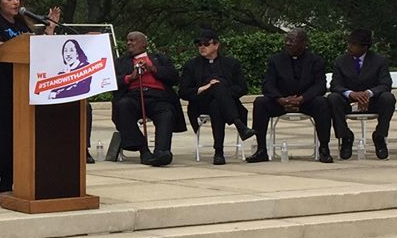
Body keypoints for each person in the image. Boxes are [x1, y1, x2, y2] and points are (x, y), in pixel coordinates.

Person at [0, 0, 59, 197]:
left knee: (21, 142)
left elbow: (38, 50)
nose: (15, 2)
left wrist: (49, 29)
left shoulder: (21, 25)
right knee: (7, 143)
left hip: (20, 93)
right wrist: (24, 42)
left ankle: (7, 186)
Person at [245, 28, 334, 164]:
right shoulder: (275, 60)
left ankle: (324, 149)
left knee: (322, 103)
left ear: (304, 43)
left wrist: (302, 99)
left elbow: (320, 86)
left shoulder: (316, 61)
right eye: (286, 40)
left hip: (306, 102)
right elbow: (268, 84)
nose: (287, 43)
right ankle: (261, 149)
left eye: (292, 41)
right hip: (281, 102)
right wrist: (280, 99)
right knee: (260, 102)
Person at [179, 29, 254, 165]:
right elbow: (183, 92)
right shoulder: (191, 65)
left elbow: (242, 88)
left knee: (216, 104)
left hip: (224, 104)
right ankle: (239, 125)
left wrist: (223, 93)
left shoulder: (231, 63)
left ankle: (219, 152)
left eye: (206, 44)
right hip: (201, 103)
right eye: (199, 44)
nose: (202, 47)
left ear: (216, 45)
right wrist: (206, 88)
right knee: (216, 87)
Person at [113, 31, 186, 166]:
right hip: (133, 96)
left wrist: (153, 69)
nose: (129, 43)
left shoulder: (159, 58)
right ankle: (144, 150)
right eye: (128, 40)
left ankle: (161, 151)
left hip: (158, 97)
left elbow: (174, 77)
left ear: (144, 44)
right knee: (123, 106)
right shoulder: (121, 62)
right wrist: (130, 77)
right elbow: (112, 82)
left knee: (166, 113)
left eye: (133, 40)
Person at [327, 29, 395, 160]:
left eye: (353, 44)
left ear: (364, 47)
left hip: (372, 102)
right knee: (332, 98)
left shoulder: (379, 61)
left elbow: (385, 84)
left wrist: (368, 93)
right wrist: (351, 94)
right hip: (348, 102)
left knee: (388, 98)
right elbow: (335, 85)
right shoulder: (340, 61)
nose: (349, 46)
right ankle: (346, 137)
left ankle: (379, 136)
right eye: (349, 43)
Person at [47, 38, 96, 163]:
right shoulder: (61, 71)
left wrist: (58, 94)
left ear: (78, 52)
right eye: (65, 51)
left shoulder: (85, 67)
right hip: (58, 102)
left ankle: (83, 148)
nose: (68, 54)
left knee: (85, 107)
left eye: (71, 50)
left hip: (78, 100)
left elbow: (83, 87)